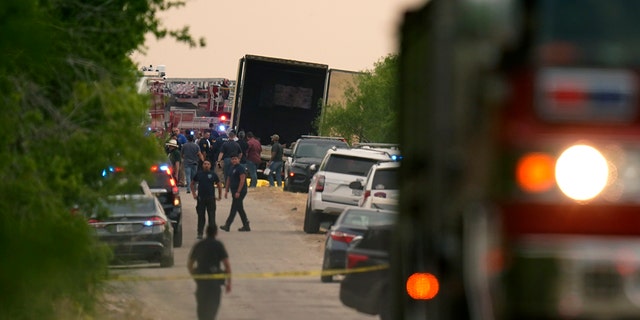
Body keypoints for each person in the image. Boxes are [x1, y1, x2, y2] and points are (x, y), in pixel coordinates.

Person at [187, 225, 231, 320]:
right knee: (212, 310)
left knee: (202, 309)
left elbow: (190, 264)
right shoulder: (218, 245)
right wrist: (229, 283)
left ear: (206, 232)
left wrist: (195, 276)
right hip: (214, 284)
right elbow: (227, 266)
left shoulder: (199, 245)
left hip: (202, 283)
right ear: (216, 233)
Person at [191, 160, 223, 239]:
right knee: (201, 217)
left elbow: (219, 185)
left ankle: (211, 234)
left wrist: (219, 195)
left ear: (210, 165)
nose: (206, 165)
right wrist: (194, 194)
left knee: (211, 217)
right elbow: (192, 184)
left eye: (208, 164)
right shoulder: (199, 174)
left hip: (211, 198)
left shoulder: (213, 174)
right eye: (205, 164)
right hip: (201, 198)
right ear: (202, 165)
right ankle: (200, 233)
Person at [220, 155, 250, 232]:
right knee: (239, 208)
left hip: (240, 191)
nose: (234, 160)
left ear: (238, 160)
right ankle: (246, 225)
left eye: (235, 159)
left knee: (234, 208)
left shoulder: (240, 168)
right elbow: (228, 180)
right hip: (234, 190)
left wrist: (238, 191)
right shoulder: (231, 168)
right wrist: (226, 190)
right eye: (232, 159)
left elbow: (242, 180)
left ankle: (227, 225)